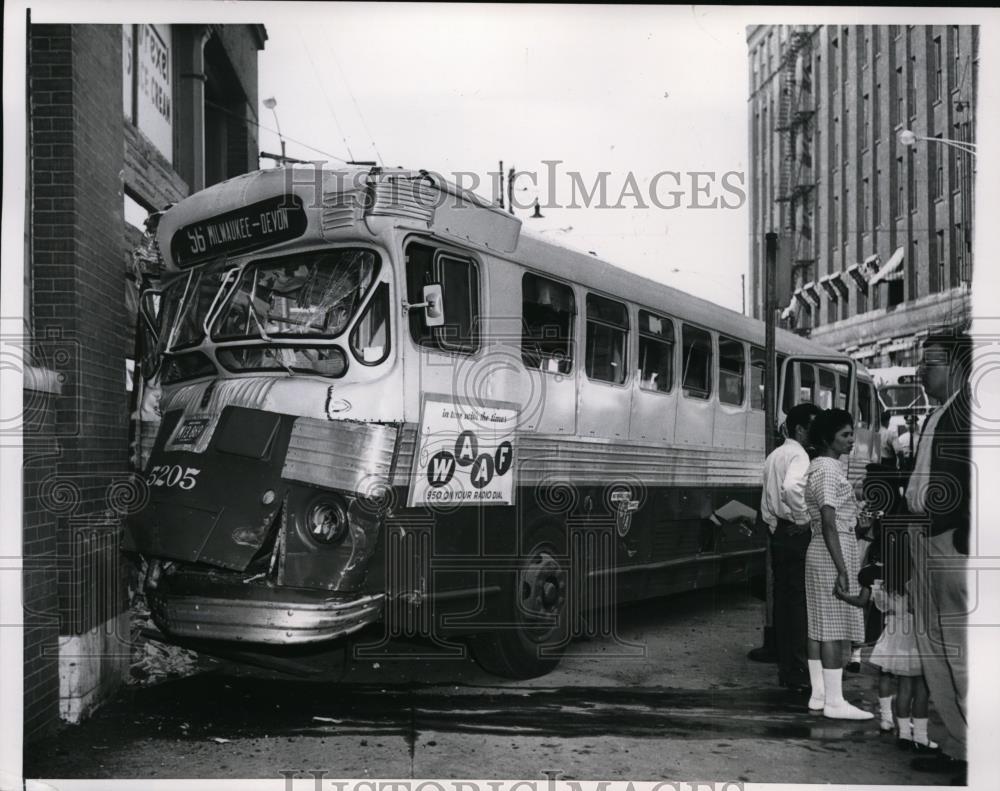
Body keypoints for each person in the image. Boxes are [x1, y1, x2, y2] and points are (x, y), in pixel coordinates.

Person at [906, 330, 972, 783]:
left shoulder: (971, 414)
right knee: (935, 648)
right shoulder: (938, 414)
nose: (920, 372)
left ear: (959, 366)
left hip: (951, 542)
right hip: (926, 537)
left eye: (930, 364)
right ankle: (955, 746)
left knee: (960, 651)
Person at [803, 408, 873, 719]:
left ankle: (819, 694)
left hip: (822, 548)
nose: (851, 441)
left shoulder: (818, 469)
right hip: (833, 550)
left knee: (818, 627)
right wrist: (844, 569)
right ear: (828, 438)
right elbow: (830, 522)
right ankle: (835, 701)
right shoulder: (829, 471)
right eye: (845, 435)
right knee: (831, 627)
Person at [760, 402, 821, 693]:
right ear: (799, 429)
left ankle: (788, 670)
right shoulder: (800, 456)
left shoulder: (775, 455)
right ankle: (798, 671)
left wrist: (775, 525)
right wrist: (804, 519)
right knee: (799, 606)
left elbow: (767, 500)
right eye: (813, 428)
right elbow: (792, 488)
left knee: (785, 605)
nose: (816, 434)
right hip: (796, 533)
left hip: (779, 534)